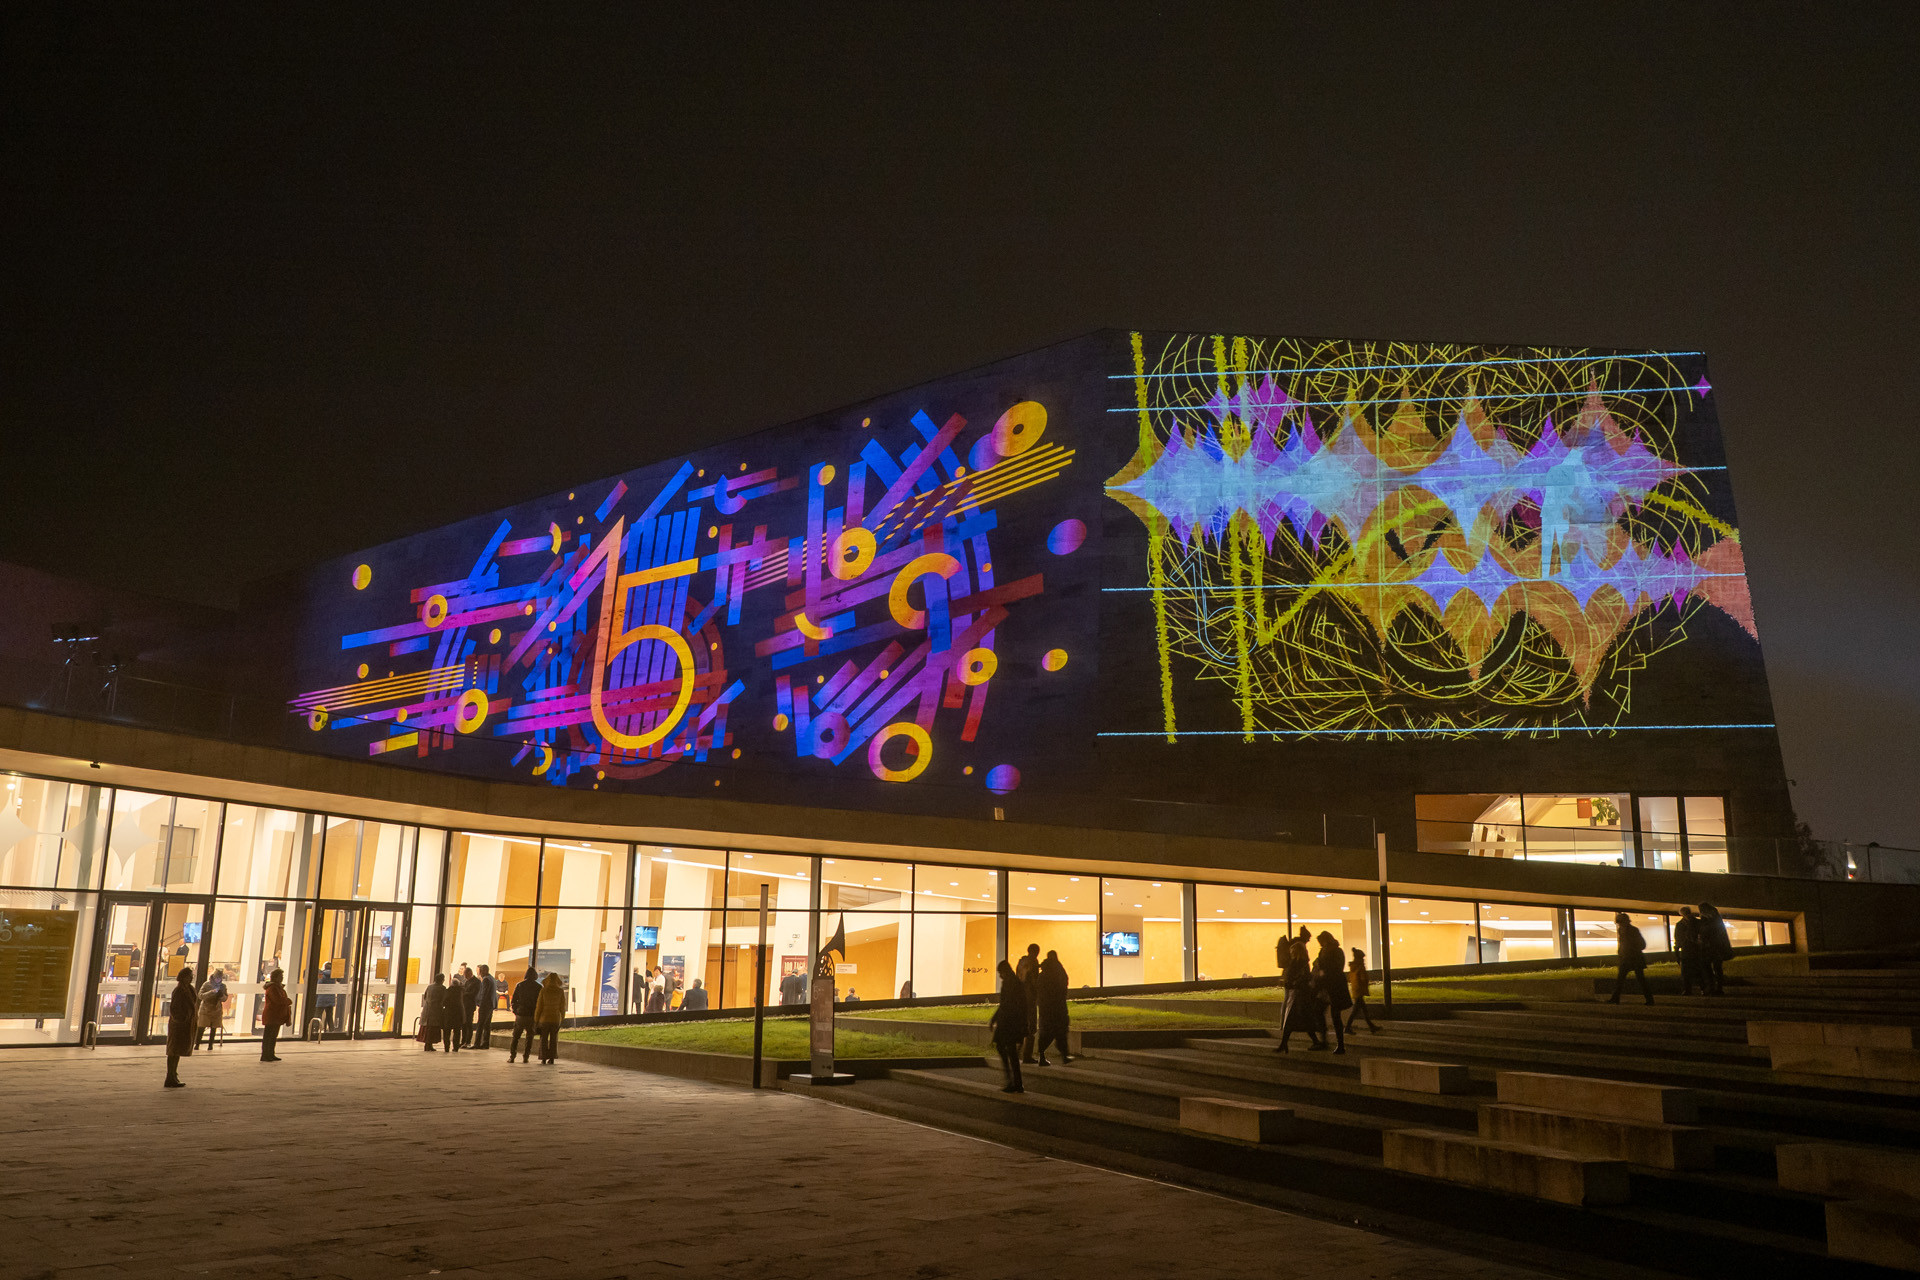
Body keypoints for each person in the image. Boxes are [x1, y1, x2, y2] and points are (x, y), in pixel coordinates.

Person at [1276, 932, 1325, 1052]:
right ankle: (1284, 1044)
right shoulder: (1304, 963)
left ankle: (1285, 1044)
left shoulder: (1296, 963)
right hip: (1301, 994)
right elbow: (1306, 977)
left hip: (1298, 995)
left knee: (1294, 1020)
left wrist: (1291, 983)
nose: (1291, 953)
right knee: (1301, 1020)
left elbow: (1297, 978)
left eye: (1292, 951)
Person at [987, 959, 1030, 1093]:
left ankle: (1013, 1081)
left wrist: (994, 1020)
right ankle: (1015, 1082)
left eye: (1000, 972)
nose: (1000, 976)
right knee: (1009, 1051)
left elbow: (1006, 1004)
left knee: (1006, 1050)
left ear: (1004, 971)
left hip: (1009, 1023)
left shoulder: (1010, 983)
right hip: (1010, 1022)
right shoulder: (1014, 982)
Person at [1312, 932, 1351, 1054]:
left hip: (1334, 987)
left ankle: (1339, 1044)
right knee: (1320, 1012)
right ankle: (1326, 1041)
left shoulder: (1336, 951)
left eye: (1322, 942)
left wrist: (1323, 969)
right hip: (1325, 987)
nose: (1321, 945)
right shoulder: (1325, 951)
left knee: (1335, 1015)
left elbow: (1336, 968)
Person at [1608, 912, 1654, 1005]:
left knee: (1639, 980)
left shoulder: (1633, 930)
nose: (1619, 925)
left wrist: (1630, 949)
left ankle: (1649, 1000)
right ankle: (1615, 998)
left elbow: (1642, 944)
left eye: (1620, 922)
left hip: (1634, 958)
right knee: (1622, 979)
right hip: (1627, 958)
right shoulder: (1622, 930)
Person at [1035, 949, 1071, 1065]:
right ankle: (1064, 1055)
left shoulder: (1043, 974)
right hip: (1058, 1007)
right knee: (1060, 1032)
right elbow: (1064, 985)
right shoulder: (1058, 971)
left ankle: (1042, 1055)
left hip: (1045, 1009)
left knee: (1046, 1032)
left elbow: (1039, 990)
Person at [164, 966, 196, 1087]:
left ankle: (173, 1075)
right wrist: (181, 1019)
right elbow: (174, 1008)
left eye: (192, 976)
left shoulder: (190, 989)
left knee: (177, 1051)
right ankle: (170, 1076)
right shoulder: (179, 990)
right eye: (189, 976)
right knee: (173, 1051)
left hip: (186, 1024)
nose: (191, 978)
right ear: (183, 977)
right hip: (178, 1025)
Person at [1015, 943, 1042, 1064]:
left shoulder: (1021, 962)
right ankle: (1027, 1055)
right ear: (1036, 952)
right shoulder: (1033, 962)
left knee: (1022, 1025)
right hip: (1030, 998)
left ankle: (1016, 1052)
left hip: (1020, 998)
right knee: (1031, 1027)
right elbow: (1034, 981)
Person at [1699, 903, 1732, 995]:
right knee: (1714, 968)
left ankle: (1715, 987)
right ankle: (1715, 987)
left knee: (1713, 968)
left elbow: (1712, 933)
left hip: (1713, 948)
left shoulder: (1711, 920)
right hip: (1712, 948)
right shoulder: (1713, 919)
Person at [260, 967, 292, 1062]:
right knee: (269, 1036)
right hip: (272, 1014)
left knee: (273, 1036)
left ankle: (271, 1053)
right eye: (280, 976)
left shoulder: (278, 987)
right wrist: (288, 1001)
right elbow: (278, 1000)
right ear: (275, 977)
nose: (282, 978)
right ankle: (266, 1055)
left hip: (277, 1015)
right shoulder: (273, 988)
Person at [1345, 947, 1380, 1034]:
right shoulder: (1360, 967)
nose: (1364, 960)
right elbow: (1363, 978)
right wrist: (1367, 982)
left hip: (1356, 990)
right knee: (1356, 1011)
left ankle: (1371, 1026)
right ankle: (1347, 1027)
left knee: (1363, 1010)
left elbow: (1350, 979)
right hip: (1360, 991)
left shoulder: (1352, 967)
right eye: (1363, 958)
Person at [534, 971, 566, 1065]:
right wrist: (562, 1018)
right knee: (553, 1040)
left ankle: (543, 1058)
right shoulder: (560, 991)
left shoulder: (544, 991)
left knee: (543, 1039)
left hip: (544, 1019)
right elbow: (562, 1007)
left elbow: (539, 1007)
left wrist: (536, 1020)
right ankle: (552, 1058)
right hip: (555, 1019)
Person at [509, 967, 540, 1062]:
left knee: (516, 1037)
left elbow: (514, 1000)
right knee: (529, 1037)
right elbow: (539, 1002)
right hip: (531, 1015)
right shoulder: (538, 987)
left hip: (521, 1014)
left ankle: (512, 1056)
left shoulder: (520, 985)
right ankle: (526, 1056)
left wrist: (516, 1011)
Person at [1673, 906, 1704, 996]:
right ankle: (1689, 989)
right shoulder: (1681, 924)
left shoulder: (1692, 923)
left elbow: (1678, 938)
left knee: (1697, 970)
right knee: (1687, 971)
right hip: (1688, 950)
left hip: (1694, 949)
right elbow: (1678, 938)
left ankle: (1700, 988)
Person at [419, 973, 454, 1052]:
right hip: (436, 1010)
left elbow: (425, 997)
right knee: (432, 1028)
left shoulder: (429, 987)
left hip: (427, 1009)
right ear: (441, 980)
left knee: (428, 1027)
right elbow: (444, 999)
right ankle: (429, 1044)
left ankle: (428, 1044)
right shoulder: (442, 988)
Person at [196, 969, 227, 1051]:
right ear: (213, 977)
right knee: (201, 1027)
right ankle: (197, 1044)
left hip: (216, 1010)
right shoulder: (206, 984)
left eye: (219, 978)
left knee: (214, 1028)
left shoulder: (223, 986)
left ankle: (210, 1045)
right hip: (205, 1009)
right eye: (216, 978)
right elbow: (200, 995)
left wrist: (221, 995)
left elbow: (225, 998)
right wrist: (210, 992)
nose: (218, 980)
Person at [474, 964, 498, 1049]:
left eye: (480, 971)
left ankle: (477, 1043)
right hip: (491, 1005)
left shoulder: (486, 980)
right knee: (487, 1025)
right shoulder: (492, 978)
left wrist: (480, 1003)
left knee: (480, 1024)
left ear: (483, 971)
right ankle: (485, 1043)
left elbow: (484, 993)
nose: (479, 973)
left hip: (485, 1005)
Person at [455, 964, 478, 1047]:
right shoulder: (467, 981)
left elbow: (473, 993)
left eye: (465, 975)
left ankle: (468, 1041)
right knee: (464, 1023)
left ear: (469, 973)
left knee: (468, 1023)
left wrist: (464, 993)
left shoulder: (476, 982)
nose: (464, 977)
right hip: (464, 1005)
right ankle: (463, 1040)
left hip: (470, 1005)